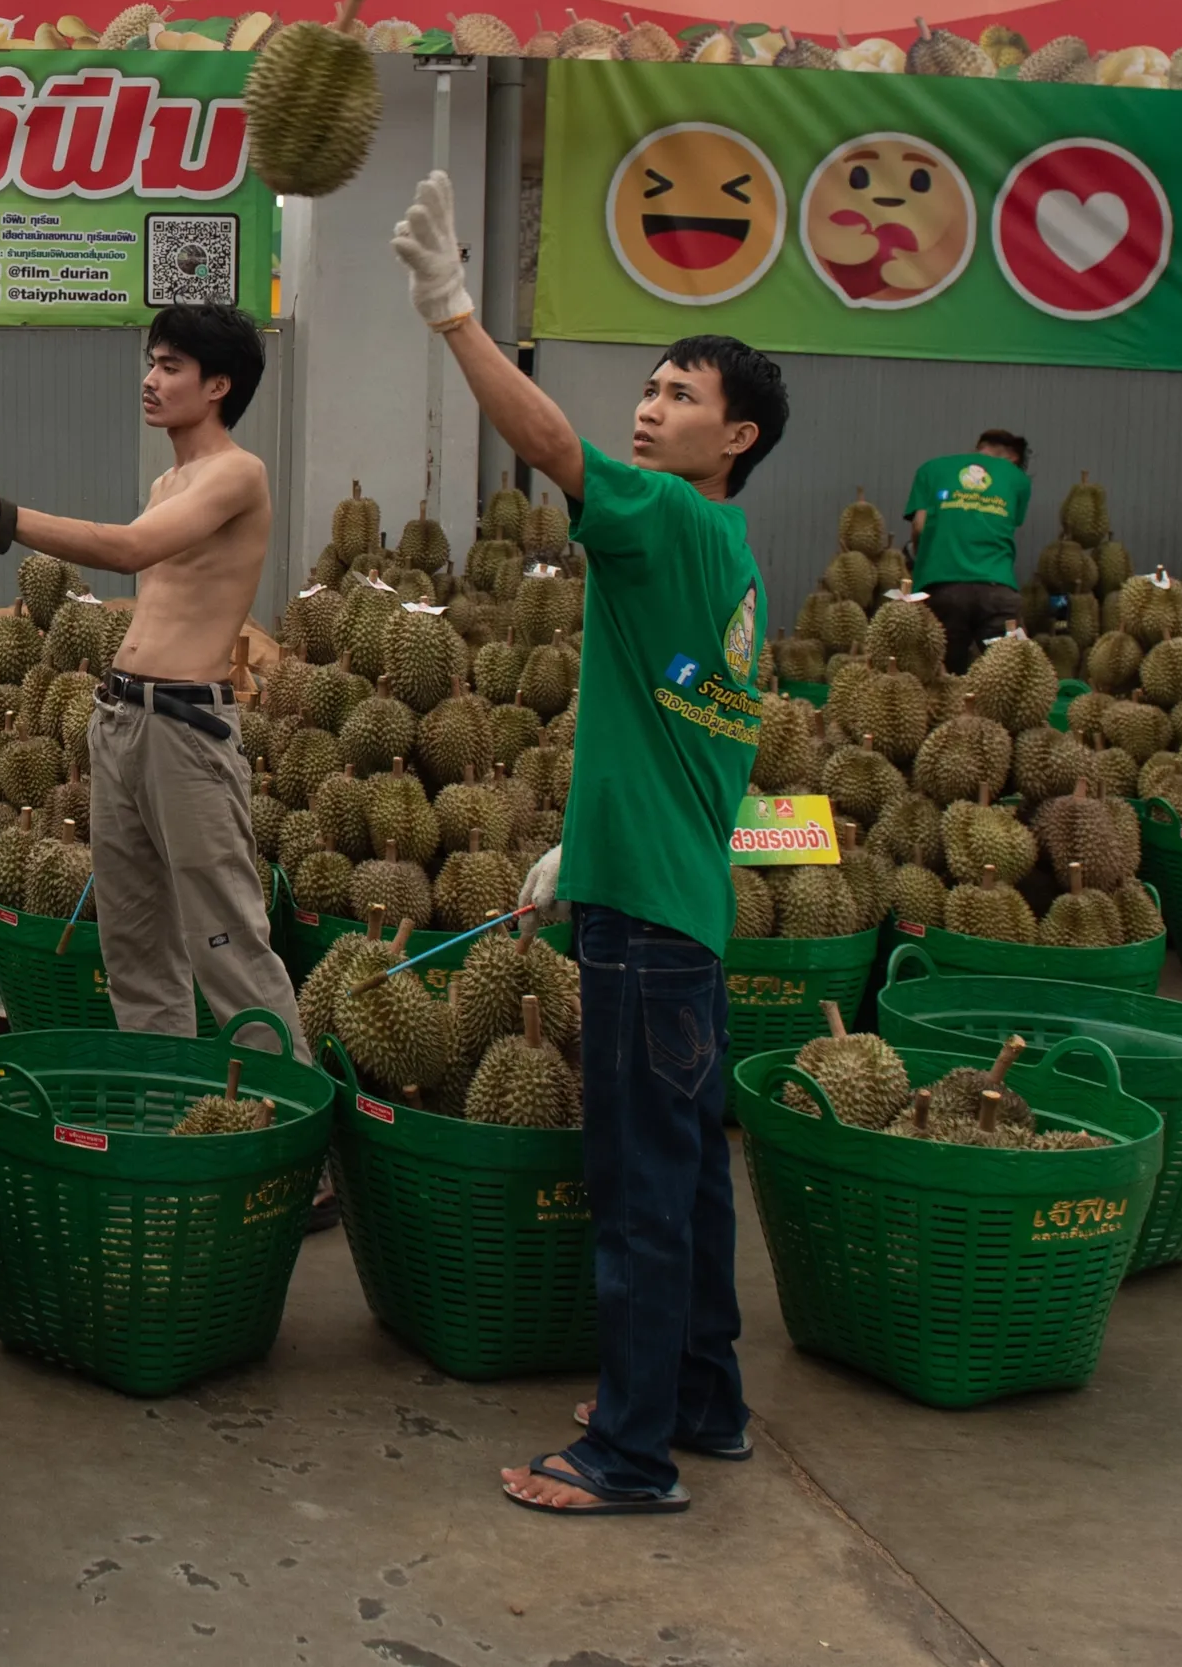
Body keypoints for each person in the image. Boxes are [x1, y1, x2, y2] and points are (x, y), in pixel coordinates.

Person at [391, 172, 786, 1520]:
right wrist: (587, 845)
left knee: (637, 1191)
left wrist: (455, 316)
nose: (650, 404)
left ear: (734, 436)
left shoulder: (667, 516)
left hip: (649, 930)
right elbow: (691, 742)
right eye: (651, 385)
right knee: (692, 1178)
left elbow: (552, 443)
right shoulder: (729, 553)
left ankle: (630, 1452)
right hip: (678, 904)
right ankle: (702, 1400)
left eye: (682, 394)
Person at [0, 304, 292, 1049]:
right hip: (122, 719)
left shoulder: (239, 474)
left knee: (227, 943)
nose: (151, 379)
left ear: (218, 386)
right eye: (152, 362)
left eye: (171, 366)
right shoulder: (168, 482)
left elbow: (129, 549)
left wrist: (0, 517)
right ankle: (165, 1097)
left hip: (186, 728)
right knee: (135, 946)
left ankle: (283, 1104)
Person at [903, 429, 1032, 672]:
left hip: (941, 586)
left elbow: (919, 526)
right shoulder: (1018, 479)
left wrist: (922, 561)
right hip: (998, 590)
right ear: (1013, 458)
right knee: (1013, 675)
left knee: (943, 678)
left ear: (979, 446)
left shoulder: (931, 469)